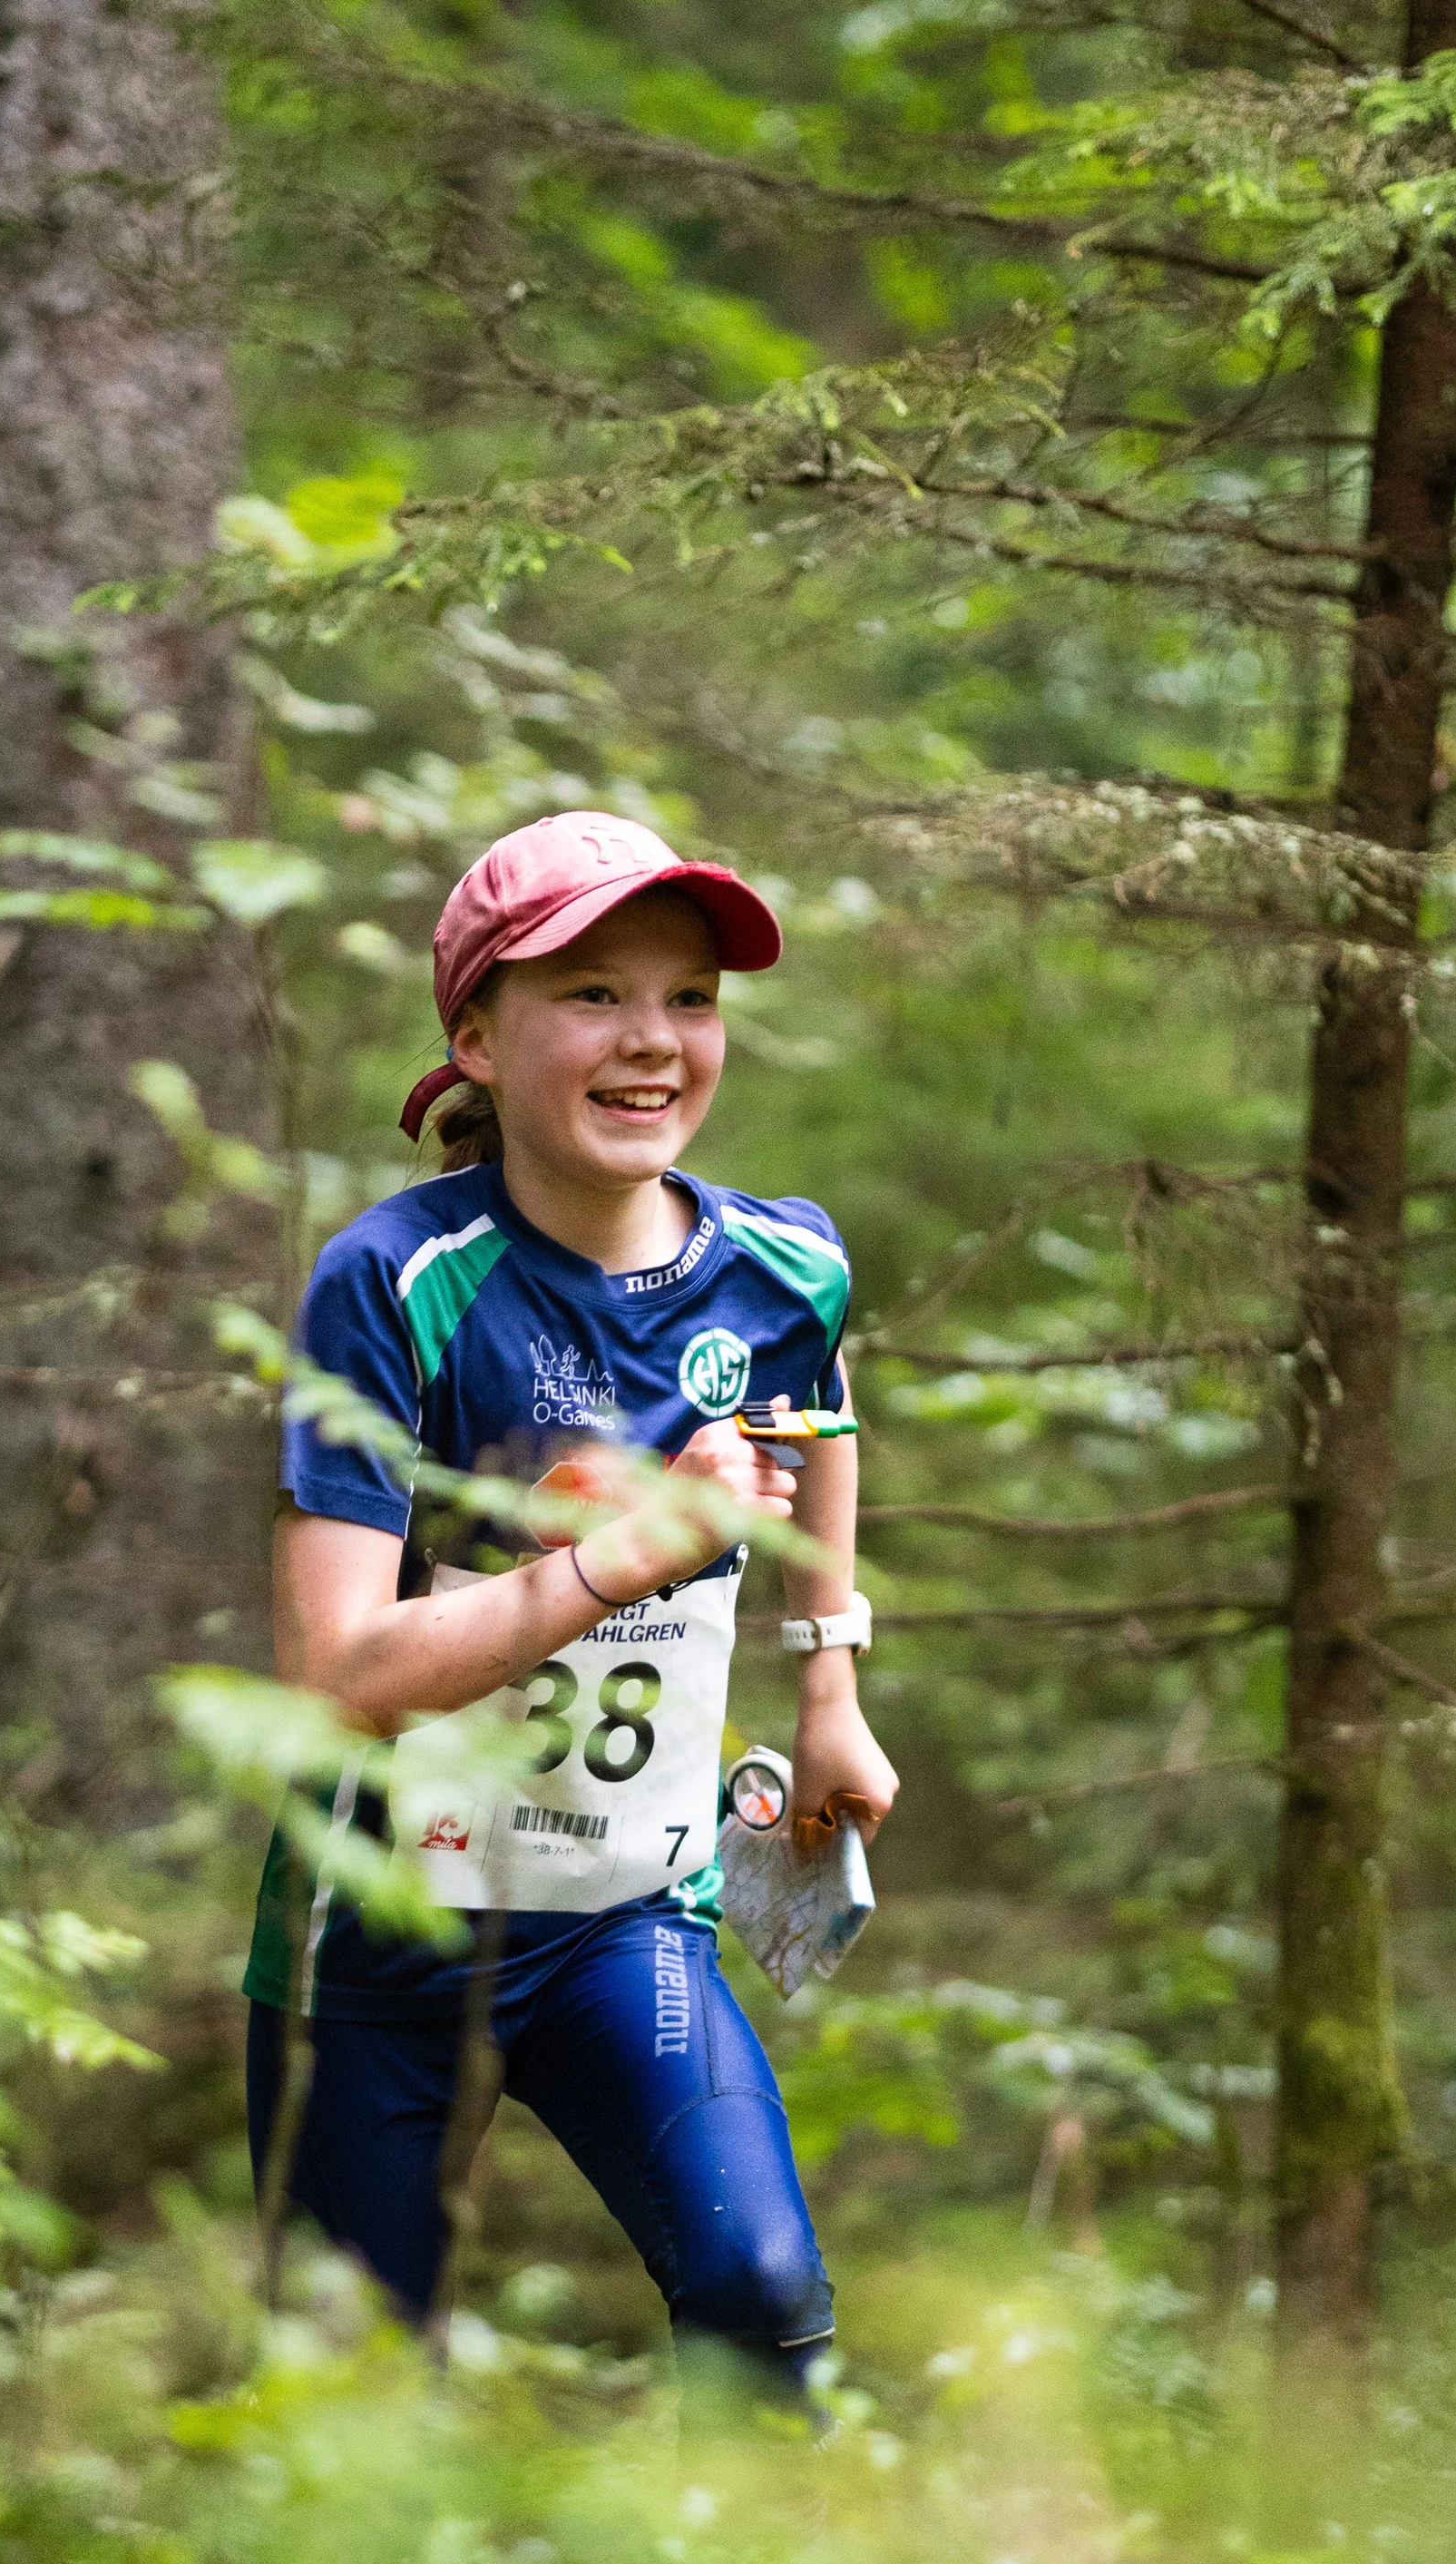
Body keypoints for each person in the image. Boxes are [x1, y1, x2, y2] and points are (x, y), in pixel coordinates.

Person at [243, 808, 897, 2393]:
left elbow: (822, 1437)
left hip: (624, 1915)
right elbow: (335, 1669)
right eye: (594, 996)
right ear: (475, 1034)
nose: (655, 1042)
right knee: (354, 2401)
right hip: (380, 1934)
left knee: (760, 2292)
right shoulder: (396, 1280)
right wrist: (613, 1564)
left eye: (691, 998)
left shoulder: (784, 1267)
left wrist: (829, 1695)